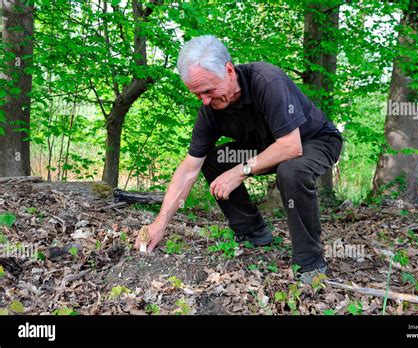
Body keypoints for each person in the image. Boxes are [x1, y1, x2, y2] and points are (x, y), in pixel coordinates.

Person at [134, 35, 342, 284]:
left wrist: (240, 171)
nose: (205, 101)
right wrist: (159, 223)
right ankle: (254, 232)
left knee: (291, 170)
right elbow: (189, 168)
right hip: (268, 146)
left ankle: (310, 263)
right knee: (214, 159)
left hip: (314, 141)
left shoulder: (267, 81)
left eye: (209, 90)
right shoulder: (210, 109)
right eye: (197, 94)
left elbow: (290, 146)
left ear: (229, 70)